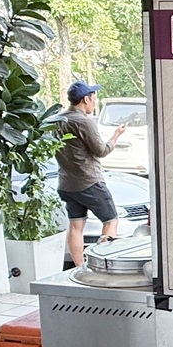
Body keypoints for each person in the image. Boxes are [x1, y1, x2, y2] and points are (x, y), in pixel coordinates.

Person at [55, 81, 127, 267]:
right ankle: (103, 266)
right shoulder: (84, 122)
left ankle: (79, 267)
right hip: (89, 181)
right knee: (111, 221)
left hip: (66, 183)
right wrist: (116, 135)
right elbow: (101, 150)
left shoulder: (57, 120)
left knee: (76, 225)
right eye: (94, 98)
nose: (95, 102)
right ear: (86, 99)